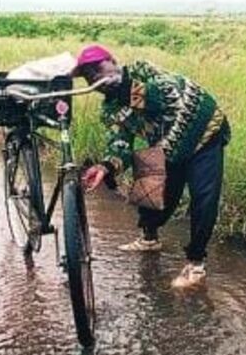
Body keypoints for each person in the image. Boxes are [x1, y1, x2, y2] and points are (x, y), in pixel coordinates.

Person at [74, 44, 231, 289]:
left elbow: (162, 96)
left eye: (97, 68)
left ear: (113, 61)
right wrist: (105, 167)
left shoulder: (142, 70)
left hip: (204, 131)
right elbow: (120, 143)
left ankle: (196, 264)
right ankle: (149, 238)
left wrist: (124, 86)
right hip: (168, 144)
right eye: (88, 75)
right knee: (148, 187)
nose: (95, 77)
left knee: (204, 197)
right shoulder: (109, 110)